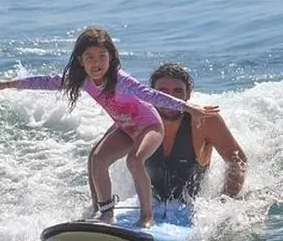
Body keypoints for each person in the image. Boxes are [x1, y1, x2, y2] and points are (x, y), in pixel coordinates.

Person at [0, 27, 219, 228]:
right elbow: (47, 81)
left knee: (135, 161)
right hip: (125, 128)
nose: (96, 63)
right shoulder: (81, 80)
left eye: (101, 57)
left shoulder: (121, 80)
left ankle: (147, 217)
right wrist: (8, 84)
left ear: (111, 58)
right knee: (97, 158)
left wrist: (187, 108)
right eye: (90, 58)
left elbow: (150, 94)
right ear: (81, 62)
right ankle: (104, 212)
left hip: (149, 126)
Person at [85, 62, 247, 211]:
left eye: (178, 92)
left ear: (188, 95)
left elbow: (237, 160)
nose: (171, 98)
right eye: (163, 93)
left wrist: (224, 204)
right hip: (150, 205)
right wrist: (97, 207)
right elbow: (96, 157)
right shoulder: (136, 119)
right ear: (150, 94)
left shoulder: (205, 121)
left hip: (191, 208)